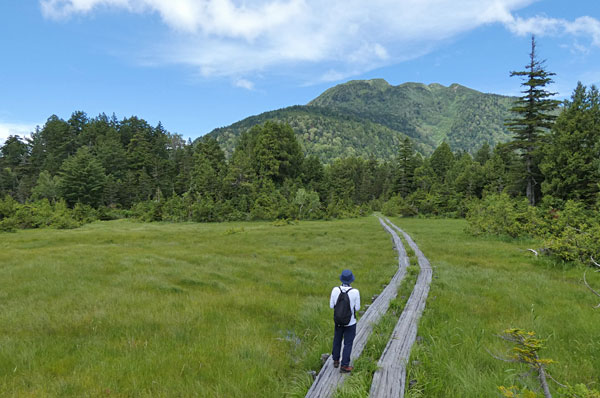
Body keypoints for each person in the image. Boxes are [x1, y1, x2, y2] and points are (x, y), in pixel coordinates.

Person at [330, 269, 361, 373]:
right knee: (348, 343)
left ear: (341, 279)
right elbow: (357, 308)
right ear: (351, 280)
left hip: (338, 321)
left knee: (337, 340)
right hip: (350, 322)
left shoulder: (335, 290)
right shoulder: (355, 292)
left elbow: (331, 306)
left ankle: (335, 360)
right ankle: (344, 365)